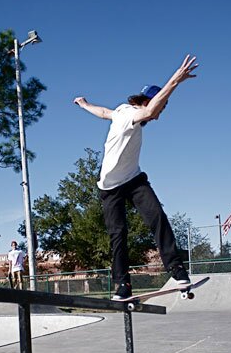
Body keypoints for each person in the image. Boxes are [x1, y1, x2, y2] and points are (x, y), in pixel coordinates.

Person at [74, 54, 198, 300]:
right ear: (147, 102)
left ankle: (176, 269)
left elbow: (103, 112)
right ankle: (122, 285)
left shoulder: (120, 111)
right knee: (118, 234)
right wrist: (176, 80)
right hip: (109, 189)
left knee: (157, 217)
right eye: (161, 107)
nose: (159, 115)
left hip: (134, 180)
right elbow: (151, 111)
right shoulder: (131, 114)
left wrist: (84, 104)